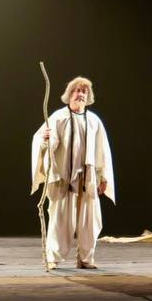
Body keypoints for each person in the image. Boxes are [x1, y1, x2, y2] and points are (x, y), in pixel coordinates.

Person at [30, 76, 115, 269]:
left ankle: (86, 259)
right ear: (69, 94)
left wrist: (103, 177)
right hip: (63, 178)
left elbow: (102, 151)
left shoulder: (94, 120)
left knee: (89, 221)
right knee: (60, 220)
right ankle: (52, 258)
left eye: (84, 91)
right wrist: (46, 139)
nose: (81, 94)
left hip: (87, 178)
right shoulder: (58, 117)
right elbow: (44, 142)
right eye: (77, 90)